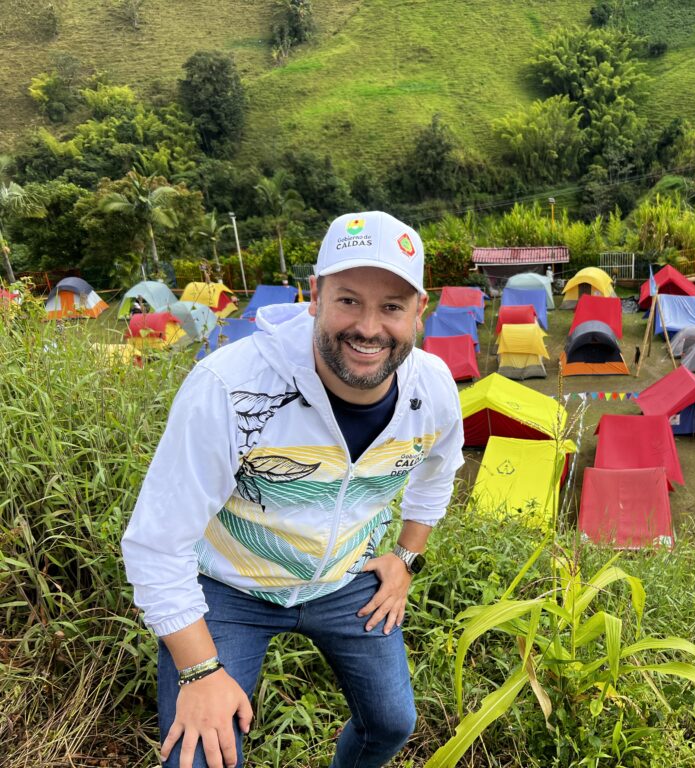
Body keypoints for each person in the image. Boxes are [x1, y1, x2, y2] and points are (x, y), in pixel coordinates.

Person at [121, 211, 465, 768]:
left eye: (392, 307)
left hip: (345, 576)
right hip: (229, 586)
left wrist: (406, 556)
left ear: (419, 312)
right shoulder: (229, 388)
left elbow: (438, 470)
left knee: (392, 723)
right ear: (315, 295)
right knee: (199, 756)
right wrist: (201, 672)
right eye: (349, 300)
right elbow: (156, 543)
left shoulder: (434, 389)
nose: (369, 328)